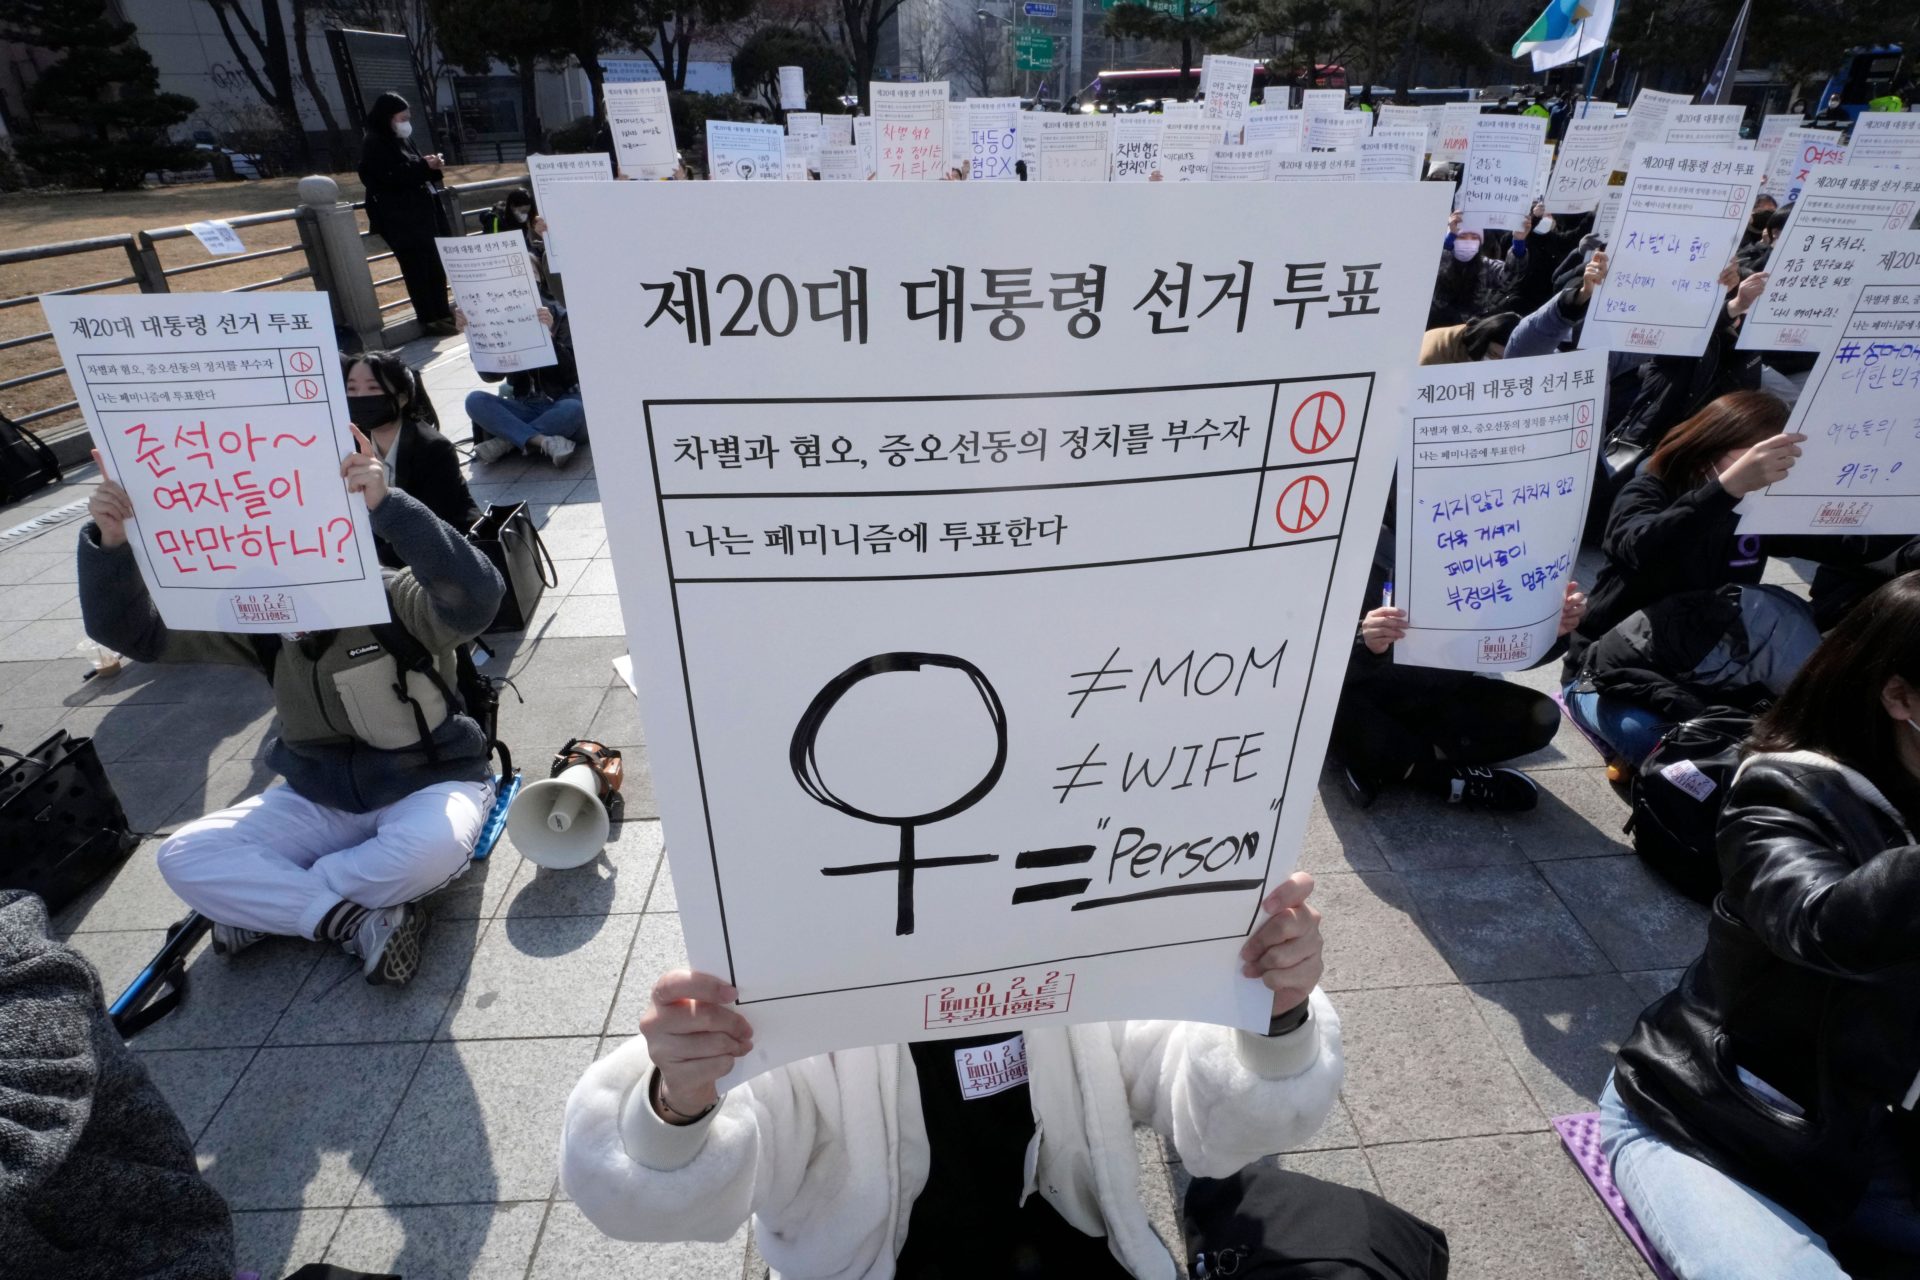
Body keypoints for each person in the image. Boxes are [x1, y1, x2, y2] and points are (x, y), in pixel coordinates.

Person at [560, 876, 1352, 1278]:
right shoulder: (788, 963)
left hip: (1073, 1247)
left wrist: (1272, 1013)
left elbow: (1182, 1071)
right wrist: (678, 1102)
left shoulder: (1069, 915)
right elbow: (708, 1161)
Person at [75, 434, 504, 986]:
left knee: (431, 850)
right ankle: (348, 920)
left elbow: (477, 596)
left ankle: (273, 905)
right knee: (182, 855)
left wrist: (387, 503)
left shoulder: (393, 597)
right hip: (315, 794)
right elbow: (132, 633)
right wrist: (111, 541)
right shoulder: (258, 618)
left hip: (431, 783)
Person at [1602, 572, 1920, 1280]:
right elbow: (1821, 925)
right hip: (1718, 1124)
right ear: (1899, 696)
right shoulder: (1780, 790)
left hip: (1867, 1136)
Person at [1562, 391, 1808, 763]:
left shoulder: (1760, 509)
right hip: (1609, 668)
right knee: (1662, 744)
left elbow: (1841, 543)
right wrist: (1725, 491)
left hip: (1702, 668)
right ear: (1713, 443)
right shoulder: (1649, 488)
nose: (1772, 468)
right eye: (1758, 454)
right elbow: (1638, 546)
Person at [0, 890, 235, 1277]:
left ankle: (311, 912)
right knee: (186, 856)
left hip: (148, 1263)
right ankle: (295, 908)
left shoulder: (17, 959)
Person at [1332, 523, 1586, 810]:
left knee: (1539, 718)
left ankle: (1394, 762)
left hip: (1441, 698)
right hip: (1368, 696)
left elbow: (1509, 653)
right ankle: (1440, 777)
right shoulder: (1355, 544)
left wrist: (1550, 629)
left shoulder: (1497, 553)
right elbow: (1307, 662)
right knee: (1326, 711)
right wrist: (1363, 640)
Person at [345, 350, 481, 563]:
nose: (360, 397)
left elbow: (434, 528)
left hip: (446, 555)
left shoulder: (433, 448)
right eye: (351, 389)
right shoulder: (350, 445)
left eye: (372, 387)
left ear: (402, 398)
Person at [357, 92, 456, 336]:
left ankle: (442, 313)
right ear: (388, 118)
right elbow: (389, 176)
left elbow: (413, 169)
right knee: (417, 268)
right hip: (401, 220)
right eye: (402, 118)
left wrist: (430, 166)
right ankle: (430, 318)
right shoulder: (374, 143)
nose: (406, 122)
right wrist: (424, 166)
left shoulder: (401, 140)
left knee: (434, 264)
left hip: (423, 213)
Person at [462, 304, 586, 466]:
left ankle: (505, 442)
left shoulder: (562, 318)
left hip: (561, 403)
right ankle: (542, 441)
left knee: (574, 408)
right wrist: (474, 338)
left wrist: (549, 341)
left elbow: (571, 373)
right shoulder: (504, 320)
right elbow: (490, 376)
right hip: (526, 406)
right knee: (474, 400)